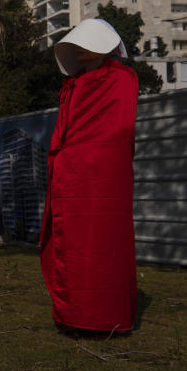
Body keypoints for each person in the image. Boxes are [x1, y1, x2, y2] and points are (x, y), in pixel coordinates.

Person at [40, 18, 139, 333]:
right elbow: (64, 132)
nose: (80, 50)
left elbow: (119, 129)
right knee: (72, 244)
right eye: (77, 45)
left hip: (106, 176)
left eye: (86, 43)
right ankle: (74, 315)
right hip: (71, 176)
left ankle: (105, 315)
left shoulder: (123, 79)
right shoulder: (70, 86)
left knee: (106, 243)